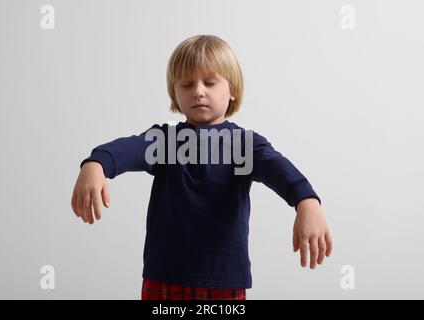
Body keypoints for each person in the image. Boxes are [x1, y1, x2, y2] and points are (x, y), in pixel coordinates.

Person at [71, 34, 332, 300]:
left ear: (232, 91)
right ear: (175, 93)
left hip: (223, 280)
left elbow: (279, 169)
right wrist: (96, 163)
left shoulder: (243, 145)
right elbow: (128, 149)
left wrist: (306, 201)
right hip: (164, 276)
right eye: (186, 84)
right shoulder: (165, 141)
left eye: (209, 82)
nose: (198, 91)